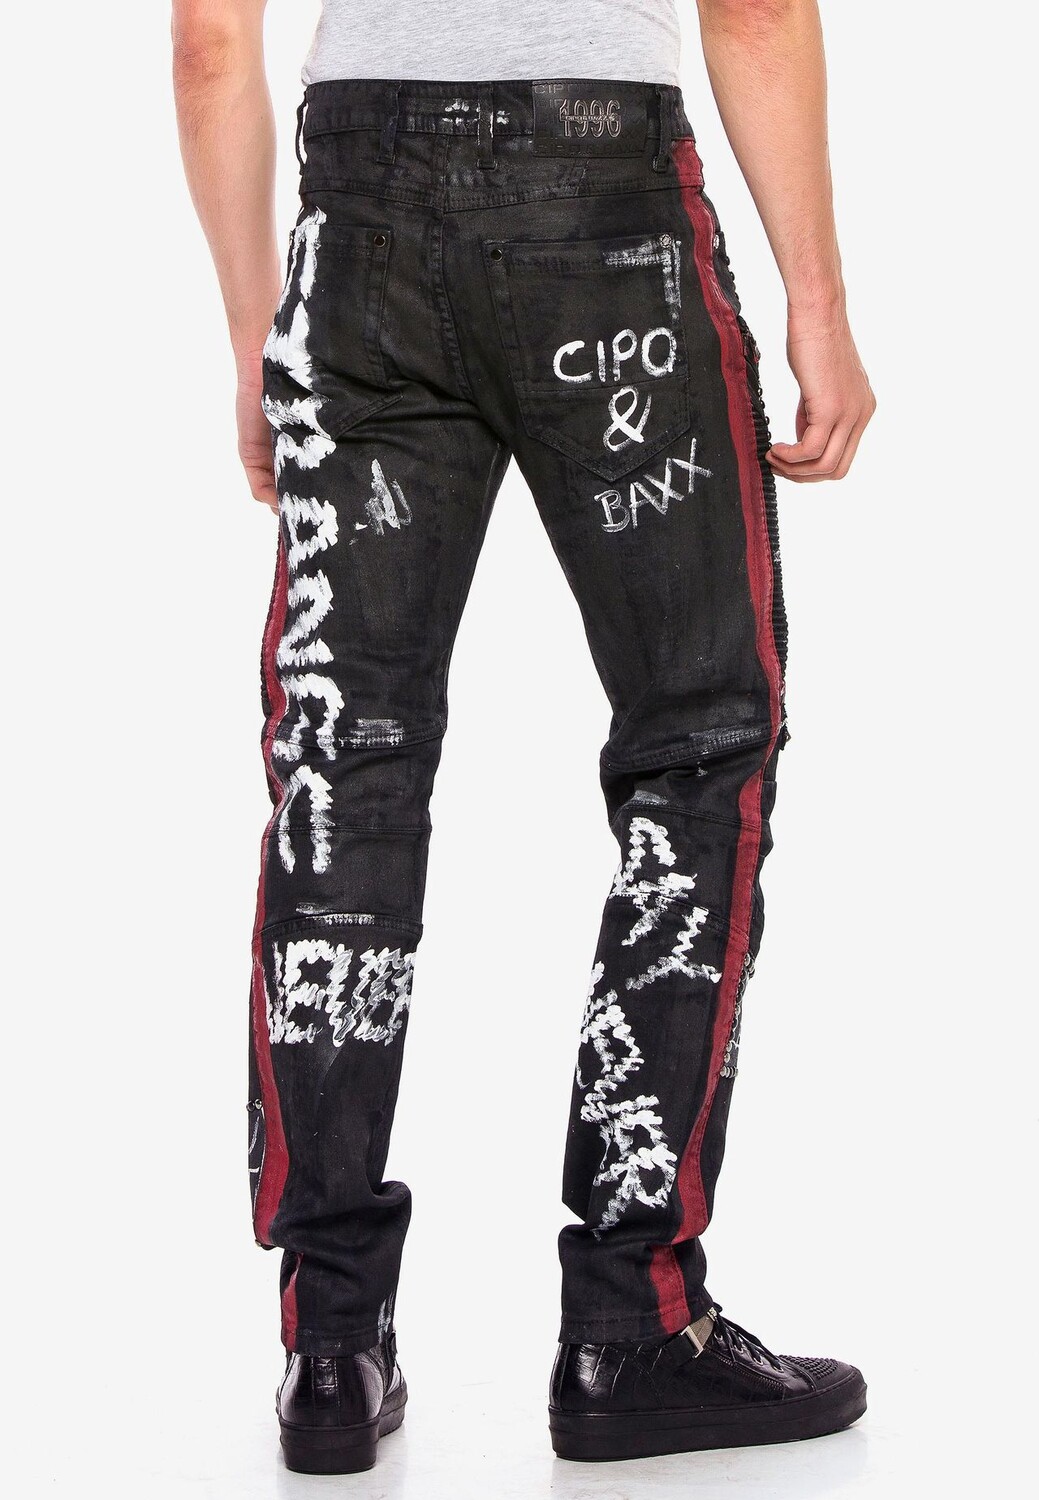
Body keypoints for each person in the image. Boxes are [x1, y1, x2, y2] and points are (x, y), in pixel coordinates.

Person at [173, 0, 875, 1474]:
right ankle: (632, 1322)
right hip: (605, 211)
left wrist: (256, 339)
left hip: (359, 230)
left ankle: (330, 1344)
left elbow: (210, 43)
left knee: (342, 769)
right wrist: (817, 296)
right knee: (700, 742)